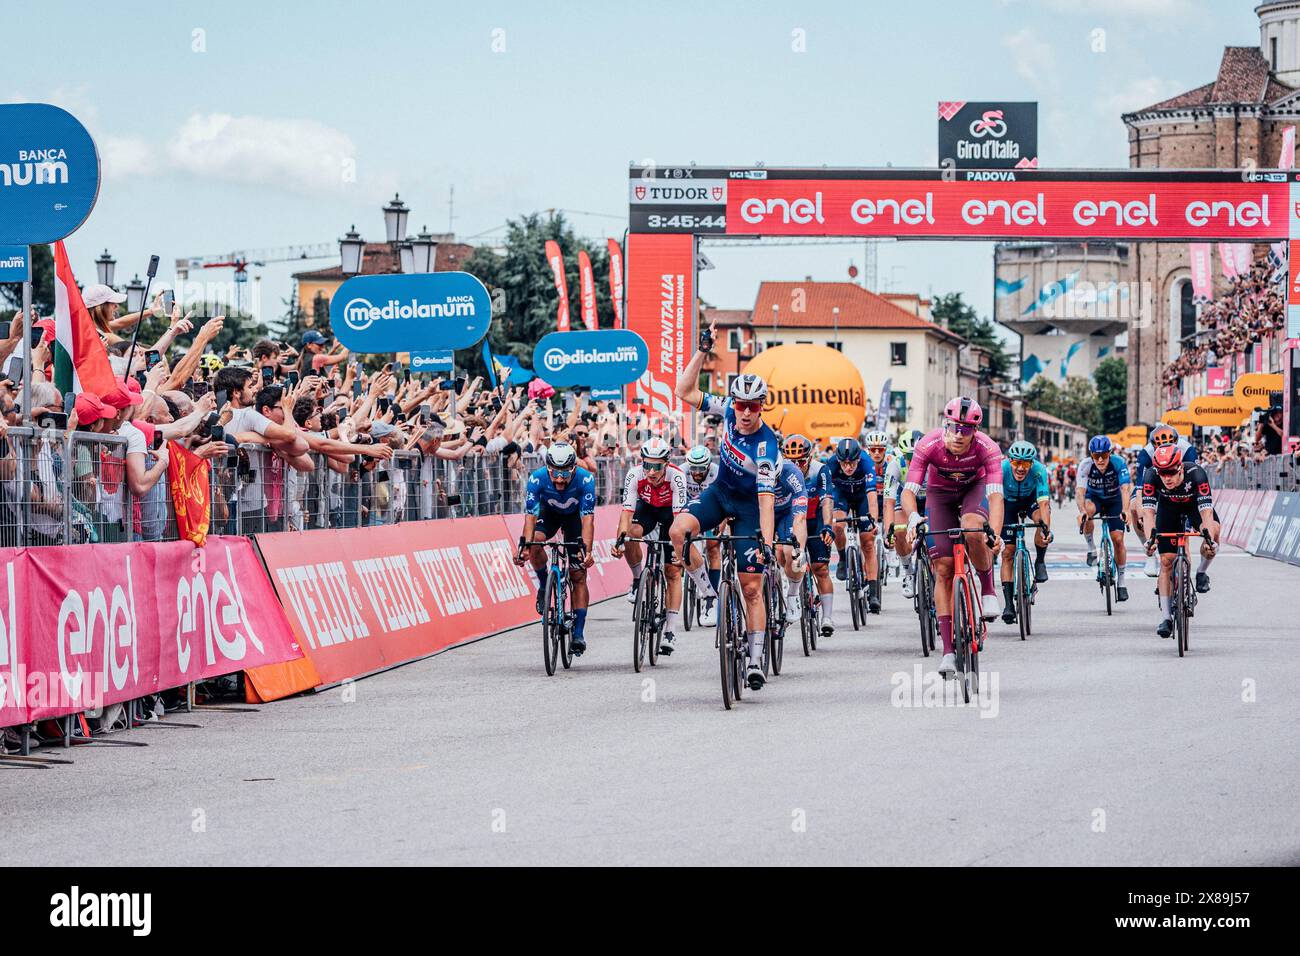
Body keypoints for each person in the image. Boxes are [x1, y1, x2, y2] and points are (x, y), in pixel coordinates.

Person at [670, 324, 779, 692]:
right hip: (721, 492)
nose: (745, 413)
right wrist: (702, 350)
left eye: (752, 406)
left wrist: (766, 541)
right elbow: (684, 391)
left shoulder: (766, 447)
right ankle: (707, 592)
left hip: (750, 506)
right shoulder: (728, 411)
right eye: (740, 405)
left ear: (761, 406)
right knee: (677, 532)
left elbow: (766, 501)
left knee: (751, 587)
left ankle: (754, 659)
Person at [901, 397, 1004, 678]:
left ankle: (988, 591)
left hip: (975, 488)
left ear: (976, 431)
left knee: (973, 527)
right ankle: (947, 651)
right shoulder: (928, 446)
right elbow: (909, 491)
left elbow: (995, 497)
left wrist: (993, 532)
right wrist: (912, 517)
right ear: (944, 424)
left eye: (966, 430)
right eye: (953, 427)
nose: (959, 435)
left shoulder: (988, 449)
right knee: (944, 569)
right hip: (940, 495)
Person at [515, 442, 597, 655]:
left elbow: (587, 521)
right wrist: (524, 546)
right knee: (534, 543)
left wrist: (587, 551)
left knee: (578, 574)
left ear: (573, 468)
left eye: (565, 474)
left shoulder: (586, 479)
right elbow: (530, 517)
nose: (559, 480)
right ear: (548, 468)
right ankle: (544, 585)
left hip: (574, 519)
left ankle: (578, 633)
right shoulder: (537, 478)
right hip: (548, 514)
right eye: (555, 474)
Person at [612, 436, 688, 654]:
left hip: (670, 514)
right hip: (646, 508)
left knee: (672, 570)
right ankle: (637, 579)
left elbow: (679, 518)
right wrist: (620, 540)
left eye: (657, 467)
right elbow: (626, 513)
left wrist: (677, 549)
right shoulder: (635, 475)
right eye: (647, 465)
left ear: (666, 463)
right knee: (631, 535)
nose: (651, 472)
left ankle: (670, 630)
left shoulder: (677, 476)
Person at [1142, 444, 1219, 638]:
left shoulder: (1197, 474)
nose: (1166, 478)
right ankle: (1166, 618)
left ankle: (1201, 572)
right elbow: (1149, 512)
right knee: (1167, 561)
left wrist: (1208, 537)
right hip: (1169, 509)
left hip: (1194, 506)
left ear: (1180, 468)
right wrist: (1150, 539)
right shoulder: (1151, 476)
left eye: (1171, 472)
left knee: (1214, 534)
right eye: (1162, 473)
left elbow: (1206, 513)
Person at [781, 434, 834, 634]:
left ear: (809, 458)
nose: (796, 466)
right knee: (785, 554)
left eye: (801, 461)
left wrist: (827, 526)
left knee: (821, 568)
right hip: (793, 519)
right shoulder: (782, 471)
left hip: (815, 519)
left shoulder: (820, 470)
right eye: (791, 461)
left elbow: (827, 500)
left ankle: (827, 617)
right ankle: (793, 583)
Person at [1132, 423, 1198, 577]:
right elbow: (1141, 489)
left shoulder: (1187, 450)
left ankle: (1184, 583)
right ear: (1153, 446)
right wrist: (1144, 515)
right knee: (1135, 507)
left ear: (1176, 443)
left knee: (1184, 539)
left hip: (1181, 488)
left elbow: (1196, 486)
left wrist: (1192, 520)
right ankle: (1149, 553)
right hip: (1155, 484)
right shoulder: (1146, 453)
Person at [998, 439, 1053, 625]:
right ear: (1009, 460)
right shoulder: (1001, 469)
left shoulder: (1039, 471)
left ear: (1032, 463)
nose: (1021, 468)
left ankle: (1040, 561)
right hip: (1008, 504)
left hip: (1030, 501)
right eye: (1016, 462)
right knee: (1007, 553)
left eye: (1026, 463)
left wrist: (1046, 529)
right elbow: (993, 501)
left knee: (1042, 521)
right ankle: (1008, 605)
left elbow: (1044, 503)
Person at [1076, 435, 1132, 602]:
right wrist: (1082, 511)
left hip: (1114, 500)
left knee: (1118, 539)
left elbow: (1125, 488)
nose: (1100, 460)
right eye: (1095, 456)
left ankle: (1121, 583)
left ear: (1110, 453)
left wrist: (1126, 510)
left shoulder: (1118, 463)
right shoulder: (1085, 465)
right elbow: (1080, 492)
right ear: (1091, 455)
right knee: (1087, 513)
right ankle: (1091, 548)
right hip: (1096, 499)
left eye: (1104, 455)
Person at [827, 438, 880, 612]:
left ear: (858, 459)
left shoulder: (866, 462)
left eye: (852, 463)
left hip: (862, 497)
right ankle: (843, 557)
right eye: (844, 464)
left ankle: (873, 592)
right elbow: (826, 497)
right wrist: (827, 521)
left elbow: (872, 496)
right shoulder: (831, 464)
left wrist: (873, 520)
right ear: (838, 460)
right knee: (837, 526)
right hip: (841, 495)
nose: (848, 467)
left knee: (868, 543)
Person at [771, 438, 810, 623]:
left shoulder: (792, 472)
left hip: (787, 512)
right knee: (772, 553)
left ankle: (793, 595)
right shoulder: (751, 472)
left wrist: (799, 549)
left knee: (790, 551)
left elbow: (800, 517)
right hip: (764, 510)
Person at [681, 444, 720, 627]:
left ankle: (712, 596)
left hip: (713, 510)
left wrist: (722, 522)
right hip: (690, 509)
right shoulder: (682, 472)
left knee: (713, 545)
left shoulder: (716, 473)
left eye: (700, 469)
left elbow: (723, 502)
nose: (696, 472)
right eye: (693, 468)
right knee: (685, 542)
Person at [862, 430, 897, 610]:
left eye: (880, 450)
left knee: (889, 531)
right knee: (866, 540)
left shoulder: (891, 462)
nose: (877, 453)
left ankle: (890, 547)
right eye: (873, 449)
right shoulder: (864, 462)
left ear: (885, 450)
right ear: (868, 450)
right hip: (871, 499)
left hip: (887, 499)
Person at [892, 429, 925, 599]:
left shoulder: (934, 461)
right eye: (908, 457)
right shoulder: (896, 464)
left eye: (916, 457)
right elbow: (889, 500)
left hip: (929, 496)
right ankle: (908, 571)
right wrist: (889, 531)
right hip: (904, 495)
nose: (911, 462)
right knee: (899, 530)